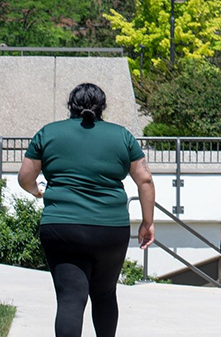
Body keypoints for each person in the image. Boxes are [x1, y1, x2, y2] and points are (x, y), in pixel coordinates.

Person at [18, 83, 155, 337]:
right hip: (110, 229)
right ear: (102, 107)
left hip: (61, 227)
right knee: (104, 294)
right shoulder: (122, 136)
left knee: (70, 299)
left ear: (71, 106)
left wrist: (37, 191)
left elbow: (25, 176)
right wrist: (147, 222)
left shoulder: (48, 133)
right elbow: (144, 180)